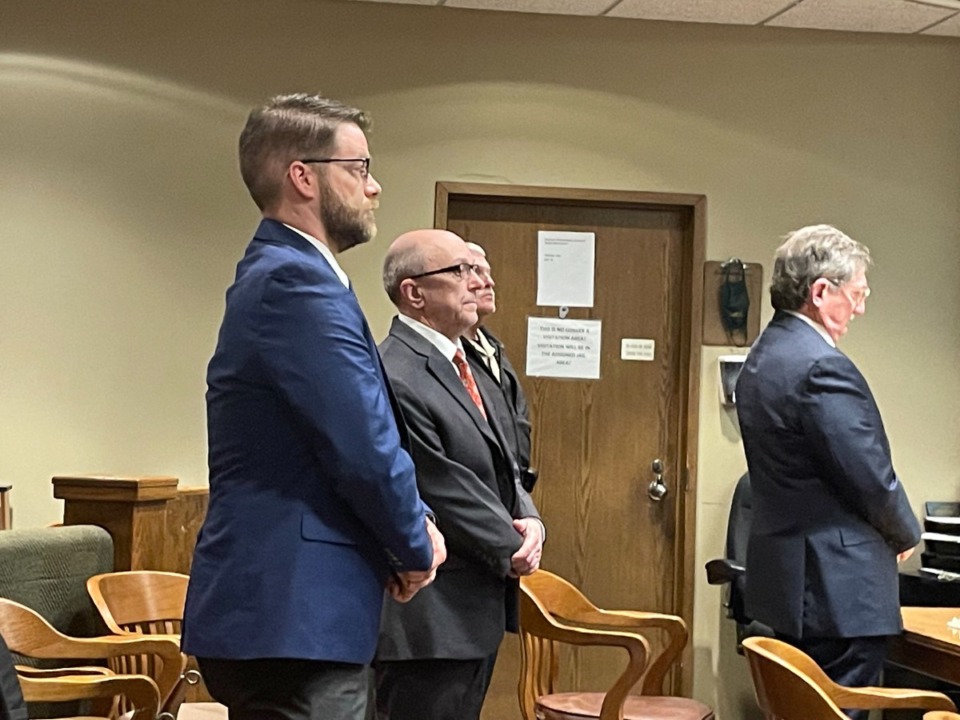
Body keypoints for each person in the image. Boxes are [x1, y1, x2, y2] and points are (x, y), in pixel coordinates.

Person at [181, 93, 445, 720]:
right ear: (303, 175)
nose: (373, 186)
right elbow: (361, 444)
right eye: (359, 168)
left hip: (293, 612)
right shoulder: (295, 282)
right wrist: (414, 543)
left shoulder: (293, 275)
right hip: (293, 613)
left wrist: (414, 528)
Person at [735, 224, 920, 719]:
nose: (860, 308)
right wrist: (905, 531)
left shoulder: (763, 358)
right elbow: (867, 474)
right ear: (820, 292)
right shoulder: (820, 366)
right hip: (839, 588)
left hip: (790, 582)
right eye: (856, 293)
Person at [375, 229, 545, 720]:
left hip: (474, 606)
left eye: (474, 270)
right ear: (414, 293)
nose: (475, 281)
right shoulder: (395, 369)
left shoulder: (465, 360)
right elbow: (438, 481)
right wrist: (510, 544)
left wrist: (530, 520)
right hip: (429, 615)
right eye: (458, 271)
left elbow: (506, 459)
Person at [461, 242, 537, 493]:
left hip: (512, 493)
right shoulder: (452, 355)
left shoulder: (493, 347)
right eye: (476, 271)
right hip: (479, 495)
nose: (488, 282)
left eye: (488, 273)